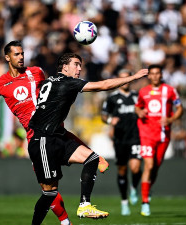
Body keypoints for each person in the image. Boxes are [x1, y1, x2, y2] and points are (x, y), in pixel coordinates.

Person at [0, 41, 74, 225]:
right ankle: (66, 221)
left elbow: (52, 93)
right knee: (48, 189)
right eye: (16, 54)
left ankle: (70, 218)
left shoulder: (37, 72)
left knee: (52, 187)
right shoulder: (0, 83)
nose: (21, 57)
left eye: (22, 53)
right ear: (7, 57)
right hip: (34, 139)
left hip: (51, 133)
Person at [27, 53, 148, 224]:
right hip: (43, 141)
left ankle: (85, 205)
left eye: (80, 65)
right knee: (50, 193)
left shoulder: (50, 81)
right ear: (64, 67)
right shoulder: (67, 82)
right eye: (76, 64)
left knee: (92, 158)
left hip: (56, 136)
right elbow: (104, 85)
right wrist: (134, 77)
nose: (79, 68)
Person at [135, 64, 183, 216]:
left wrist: (171, 119)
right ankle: (145, 203)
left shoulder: (170, 90)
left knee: (155, 166)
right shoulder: (143, 92)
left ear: (161, 75)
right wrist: (139, 111)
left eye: (157, 73)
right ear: (148, 76)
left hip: (163, 135)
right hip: (147, 133)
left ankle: (147, 189)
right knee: (148, 165)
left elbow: (180, 108)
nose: (155, 76)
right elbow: (138, 107)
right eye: (152, 73)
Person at [101, 69, 142, 216]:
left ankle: (134, 187)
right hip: (120, 139)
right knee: (123, 170)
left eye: (128, 78)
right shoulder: (112, 98)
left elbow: (145, 112)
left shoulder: (138, 96)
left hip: (136, 137)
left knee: (136, 168)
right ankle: (124, 202)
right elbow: (104, 116)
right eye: (122, 78)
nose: (126, 81)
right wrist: (111, 120)